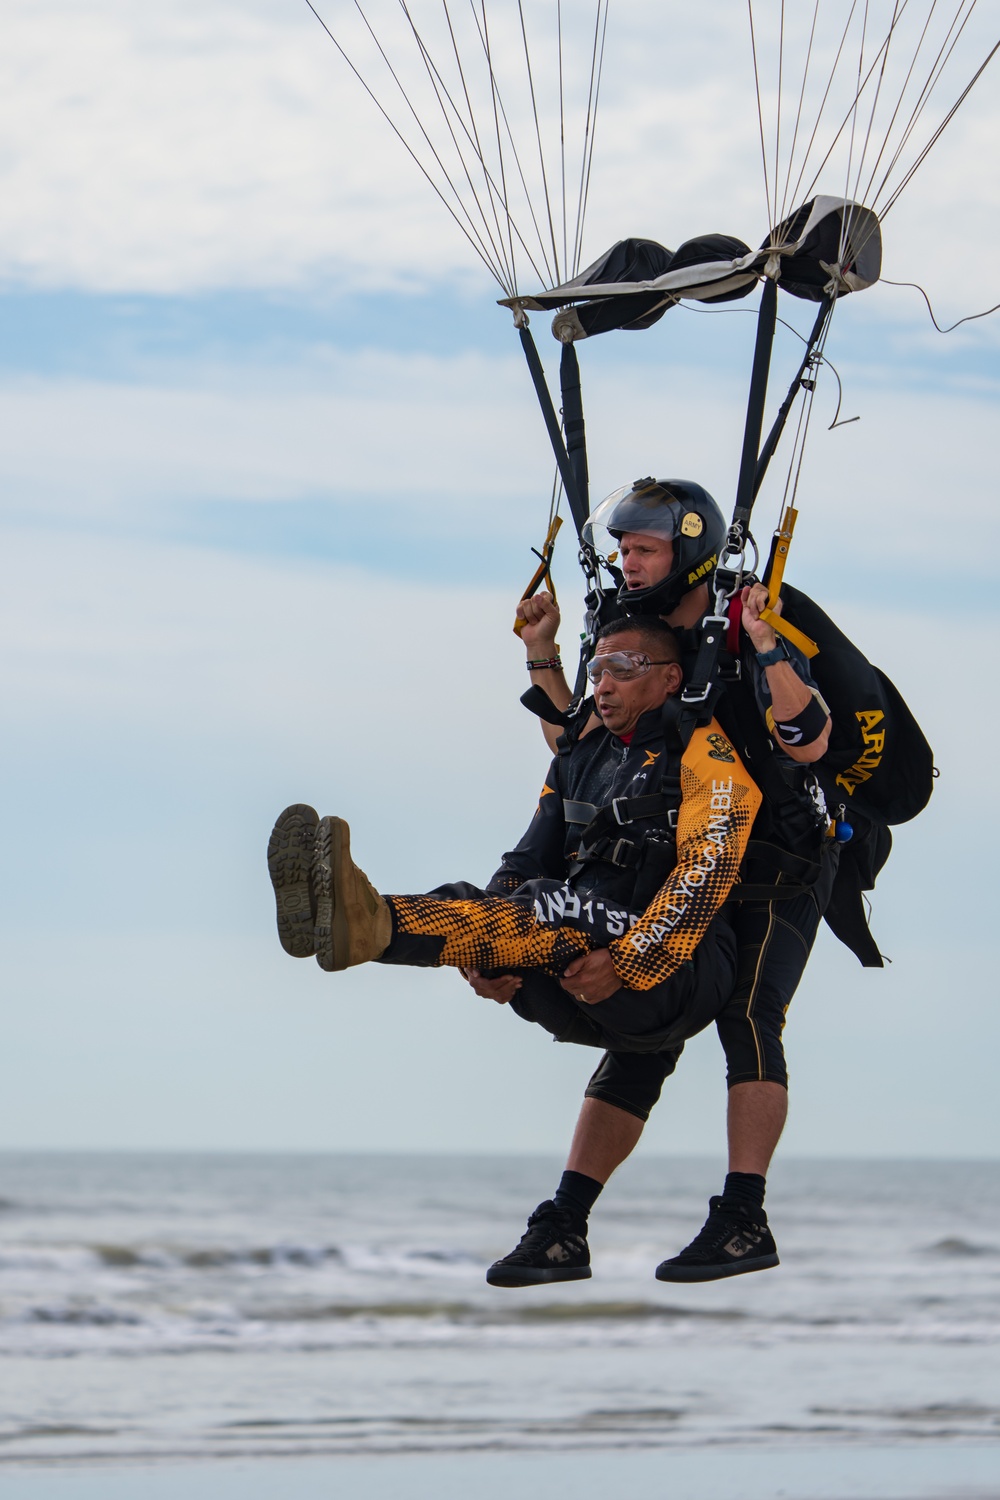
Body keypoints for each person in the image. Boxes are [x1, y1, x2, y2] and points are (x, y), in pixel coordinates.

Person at [267, 616, 764, 1286]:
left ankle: (372, 923)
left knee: (547, 903)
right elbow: (525, 859)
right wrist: (483, 953)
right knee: (504, 895)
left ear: (671, 678)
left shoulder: (708, 753)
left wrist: (628, 961)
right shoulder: (579, 757)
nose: (603, 683)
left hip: (670, 980)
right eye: (598, 669)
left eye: (623, 667)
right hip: (576, 975)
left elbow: (703, 878)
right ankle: (358, 919)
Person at [466, 477, 836, 1283]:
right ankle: (563, 1226)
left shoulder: (749, 616)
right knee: (646, 1035)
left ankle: (744, 1217)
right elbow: (584, 742)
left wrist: (765, 643)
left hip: (776, 860)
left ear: (689, 549)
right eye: (623, 549)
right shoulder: (618, 623)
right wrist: (543, 650)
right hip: (686, 842)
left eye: (645, 549)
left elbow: (809, 740)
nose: (628, 564)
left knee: (747, 1015)